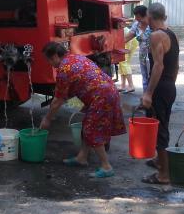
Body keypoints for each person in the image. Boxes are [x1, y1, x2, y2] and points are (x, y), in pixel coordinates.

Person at [39, 42, 126, 178]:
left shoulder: (64, 69)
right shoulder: (76, 58)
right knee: (87, 125)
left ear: (55, 56)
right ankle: (82, 157)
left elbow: (57, 101)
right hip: (107, 91)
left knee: (91, 130)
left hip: (101, 96)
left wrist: (47, 119)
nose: (49, 63)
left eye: (49, 59)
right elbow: (81, 83)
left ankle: (106, 166)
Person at [141, 3, 179, 185]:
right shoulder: (171, 34)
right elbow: (176, 65)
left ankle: (164, 175)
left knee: (159, 130)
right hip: (169, 85)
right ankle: (159, 161)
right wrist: (170, 83)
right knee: (162, 124)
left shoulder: (156, 36)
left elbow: (158, 65)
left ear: (151, 17)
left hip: (160, 87)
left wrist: (149, 93)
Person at [125, 5, 151, 92]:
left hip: (153, 54)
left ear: (142, 15)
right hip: (143, 54)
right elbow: (127, 38)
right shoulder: (136, 25)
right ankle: (145, 95)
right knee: (144, 76)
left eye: (136, 15)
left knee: (153, 75)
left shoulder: (152, 24)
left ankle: (153, 96)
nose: (135, 18)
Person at [118, 21, 139, 93]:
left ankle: (131, 86)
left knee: (124, 63)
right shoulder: (122, 29)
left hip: (128, 44)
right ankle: (123, 85)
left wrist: (127, 50)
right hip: (130, 43)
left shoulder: (123, 30)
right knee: (122, 64)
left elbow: (128, 40)